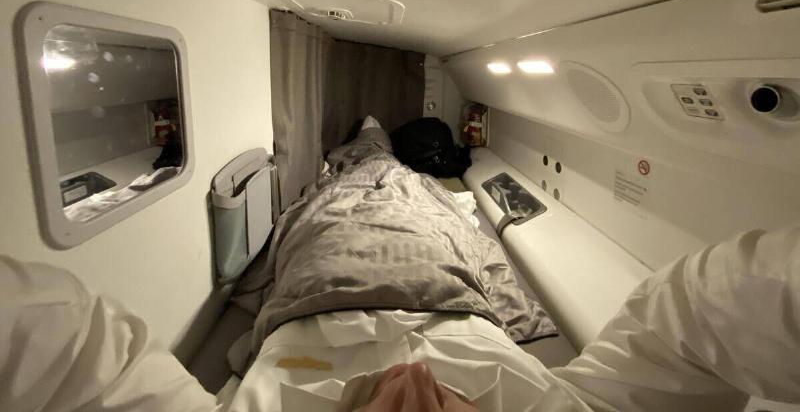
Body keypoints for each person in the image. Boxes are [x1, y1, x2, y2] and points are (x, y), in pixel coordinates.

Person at [2, 225, 798, 411]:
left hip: (318, 284)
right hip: (447, 288)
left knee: (348, 191)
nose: (411, 386)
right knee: (427, 202)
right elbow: (713, 303)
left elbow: (54, 335)